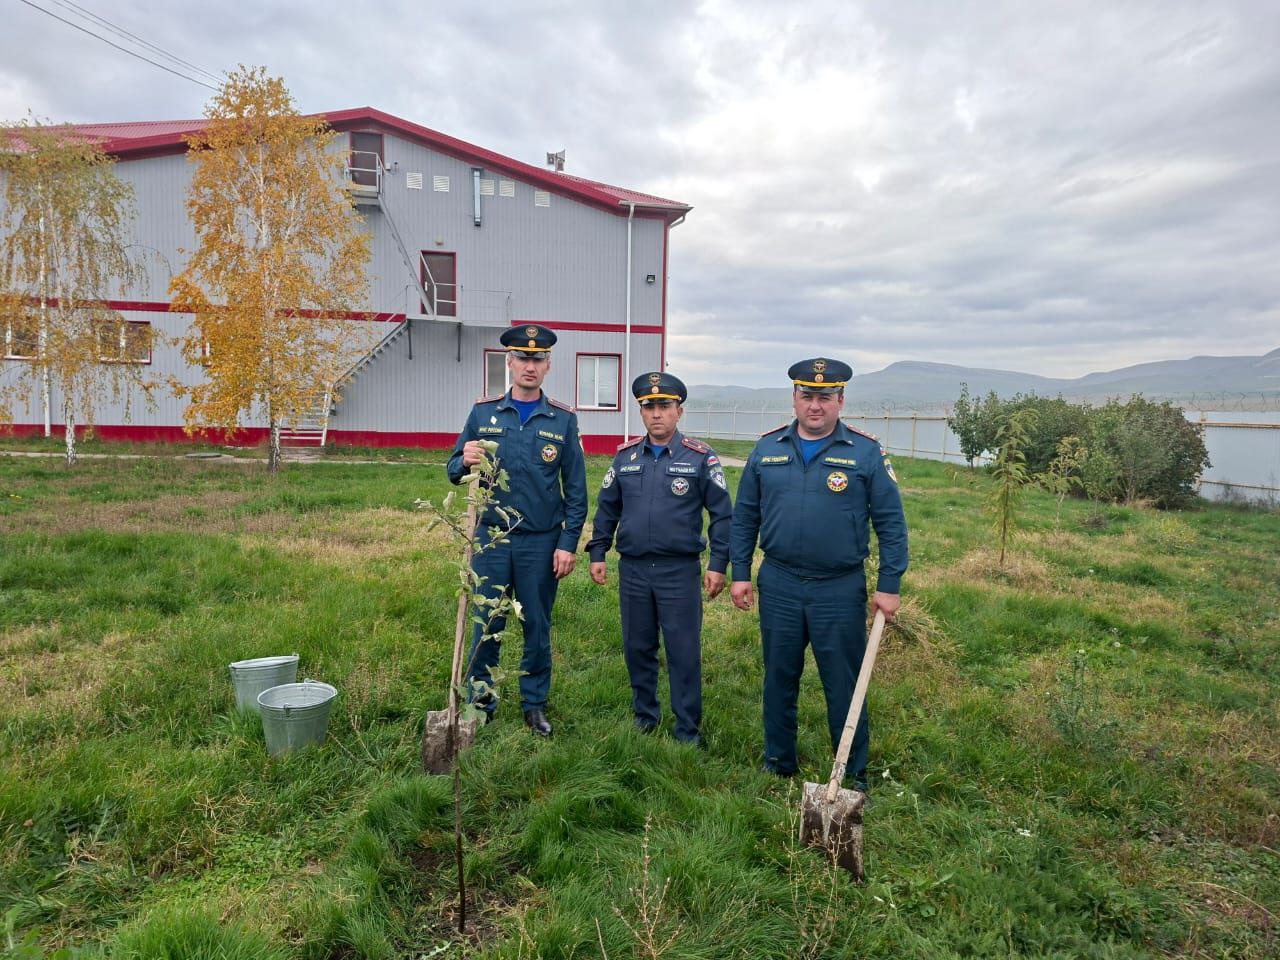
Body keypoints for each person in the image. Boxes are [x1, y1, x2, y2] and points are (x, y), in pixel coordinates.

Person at [729, 358, 908, 788]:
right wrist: (740, 572)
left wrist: (889, 585)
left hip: (839, 588)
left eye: (825, 397)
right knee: (779, 675)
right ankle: (778, 761)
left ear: (840, 401)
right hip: (780, 582)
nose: (815, 405)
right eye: (807, 396)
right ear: (794, 398)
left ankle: (852, 771)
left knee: (844, 682)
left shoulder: (865, 452)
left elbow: (891, 523)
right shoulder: (766, 448)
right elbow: (744, 517)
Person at [447, 323, 587, 737]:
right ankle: (480, 701)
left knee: (537, 627)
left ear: (548, 366)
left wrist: (567, 544)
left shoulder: (562, 421)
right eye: (522, 358)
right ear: (509, 362)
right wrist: (464, 459)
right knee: (486, 622)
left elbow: (576, 491)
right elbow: (454, 469)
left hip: (541, 543)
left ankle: (534, 704)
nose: (530, 365)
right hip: (491, 540)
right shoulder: (483, 413)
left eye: (537, 359)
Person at [586, 372, 733, 746]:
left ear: (679, 411)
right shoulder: (625, 457)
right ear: (641, 412)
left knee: (683, 650)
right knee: (638, 647)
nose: (656, 414)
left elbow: (722, 514)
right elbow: (607, 508)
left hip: (678, 571)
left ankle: (687, 728)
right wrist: (599, 550)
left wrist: (718, 564)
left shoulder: (701, 457)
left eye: (664, 406)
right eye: (649, 407)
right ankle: (645, 716)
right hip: (634, 569)